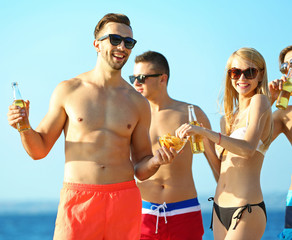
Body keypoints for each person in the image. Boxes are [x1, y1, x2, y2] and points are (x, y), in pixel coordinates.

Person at [7, 13, 177, 240]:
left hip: (124, 200)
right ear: (97, 44)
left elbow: (141, 167)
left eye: (128, 42)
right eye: (115, 39)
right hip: (79, 200)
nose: (122, 47)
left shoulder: (138, 102)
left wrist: (157, 160)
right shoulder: (68, 90)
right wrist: (24, 127)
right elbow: (39, 151)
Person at [176, 47, 273, 240]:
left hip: (246, 209)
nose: (242, 78)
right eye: (235, 72)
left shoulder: (260, 102)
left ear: (261, 75)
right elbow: (220, 173)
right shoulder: (227, 119)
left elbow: (247, 149)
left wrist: (207, 133)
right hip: (220, 208)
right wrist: (204, 141)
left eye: (250, 72)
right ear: (229, 76)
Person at [129, 51, 219, 239]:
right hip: (144, 213)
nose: (136, 83)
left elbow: (215, 164)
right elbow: (133, 167)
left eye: (142, 78)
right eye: (133, 78)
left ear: (163, 79)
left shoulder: (191, 113)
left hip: (184, 210)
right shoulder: (133, 116)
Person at [268, 45, 292, 240]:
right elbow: (251, 142)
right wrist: (269, 100)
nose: (289, 70)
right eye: (285, 66)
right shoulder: (284, 115)